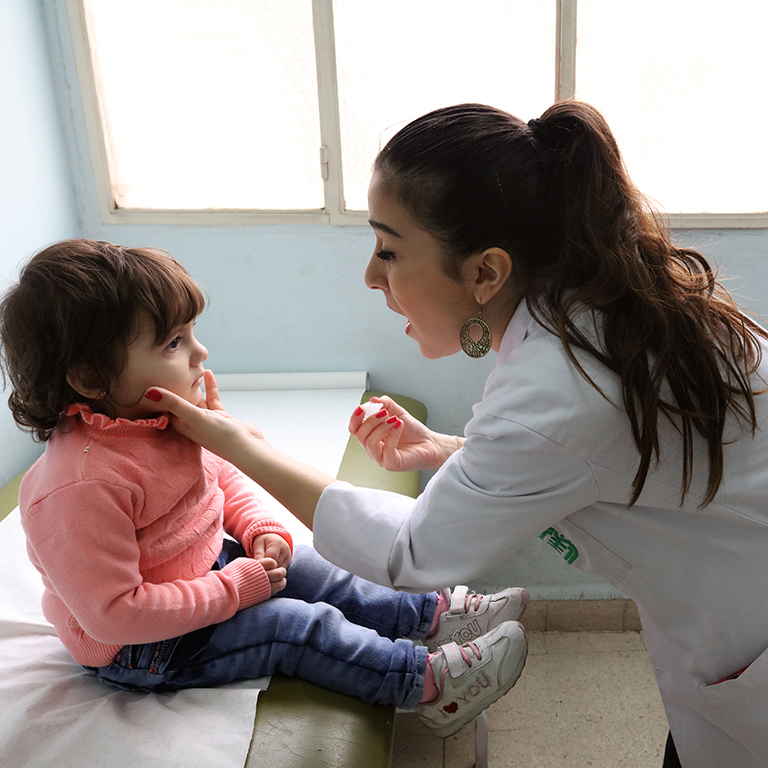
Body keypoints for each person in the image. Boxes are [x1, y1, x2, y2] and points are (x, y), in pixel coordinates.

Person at [141, 101, 768, 768]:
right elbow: (595, 458)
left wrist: (238, 445)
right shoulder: (606, 314)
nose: (371, 276)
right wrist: (447, 452)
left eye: (389, 249)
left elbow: (412, 553)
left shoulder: (557, 385)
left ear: (485, 272)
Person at [0, 238, 531, 738]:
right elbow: (114, 613)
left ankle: (433, 617)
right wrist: (234, 590)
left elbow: (220, 476)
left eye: (191, 333)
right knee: (296, 626)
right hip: (146, 645)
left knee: (317, 563)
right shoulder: (80, 487)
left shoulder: (160, 419)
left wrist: (259, 528)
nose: (200, 352)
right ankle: (429, 686)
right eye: (174, 342)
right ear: (91, 378)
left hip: (207, 568)